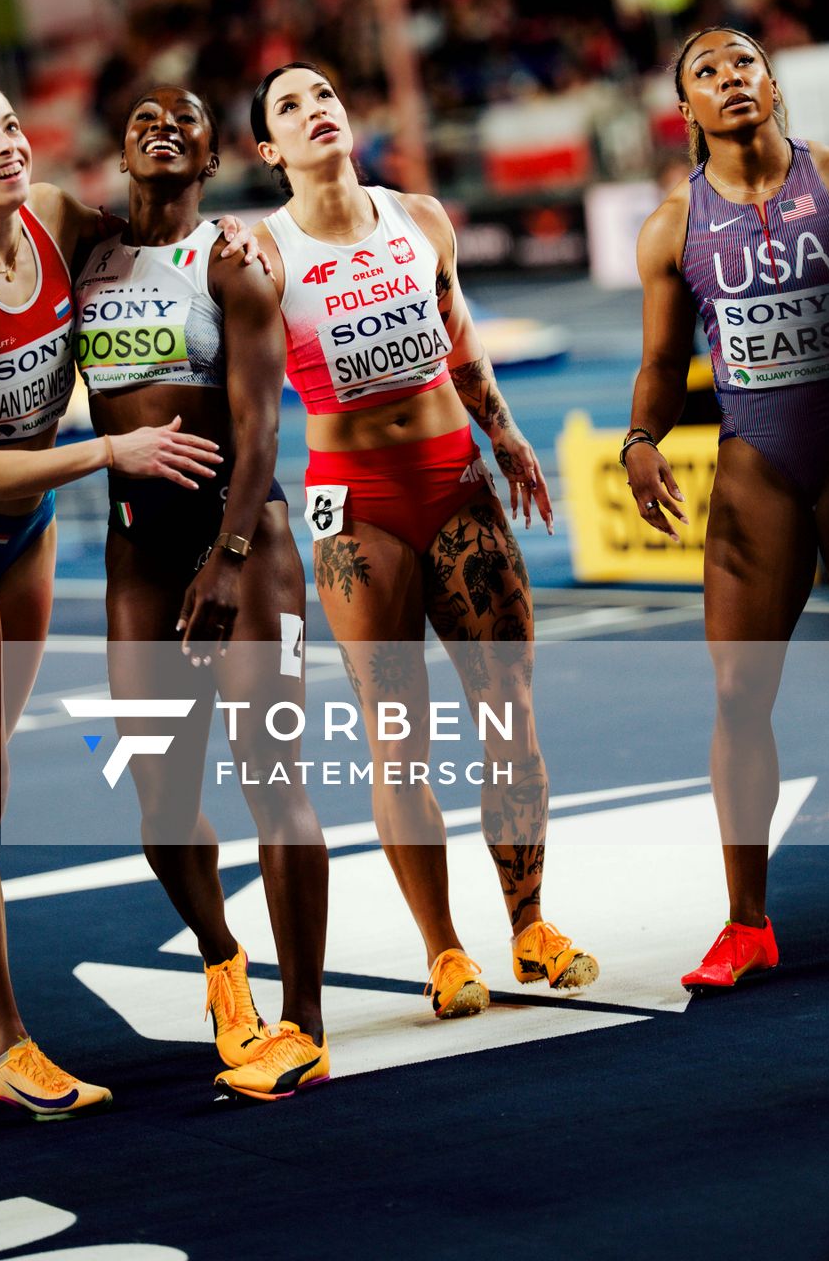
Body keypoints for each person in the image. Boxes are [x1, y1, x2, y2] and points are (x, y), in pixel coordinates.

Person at [0, 80, 223, 1117]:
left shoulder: (56, 216)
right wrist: (109, 447)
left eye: (11, 126)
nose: (7, 146)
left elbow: (157, 233)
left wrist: (230, 237)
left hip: (24, 530)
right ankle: (5, 1047)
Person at [250, 61, 598, 1021]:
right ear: (267, 149)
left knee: (509, 714)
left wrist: (509, 433)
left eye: (324, 95)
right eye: (290, 106)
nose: (316, 110)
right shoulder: (262, 259)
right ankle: (444, 952)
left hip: (457, 485)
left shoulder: (424, 218)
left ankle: (530, 927)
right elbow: (242, 403)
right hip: (352, 505)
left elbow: (460, 336)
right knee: (395, 741)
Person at [626, 27, 829, 992]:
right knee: (738, 696)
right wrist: (641, 443)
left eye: (743, 64)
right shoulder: (669, 226)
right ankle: (746, 923)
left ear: (770, 84)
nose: (729, 80)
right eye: (706, 73)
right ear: (684, 109)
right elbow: (659, 365)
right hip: (758, 465)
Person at [76, 84, 330, 1102]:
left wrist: (227, 558)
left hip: (245, 530)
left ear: (212, 153)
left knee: (273, 780)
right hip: (135, 549)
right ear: (120, 151)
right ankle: (225, 964)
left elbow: (264, 427)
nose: (161, 127)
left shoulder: (229, 261)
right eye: (142, 119)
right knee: (158, 801)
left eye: (183, 120)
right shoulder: (85, 258)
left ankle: (304, 1021)